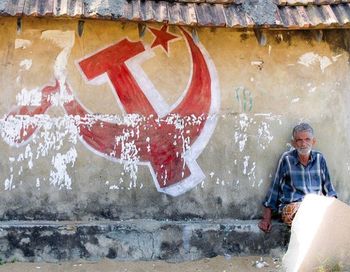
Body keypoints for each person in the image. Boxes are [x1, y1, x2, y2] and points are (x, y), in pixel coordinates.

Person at [258, 123, 337, 232]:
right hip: (293, 209)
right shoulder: (286, 159)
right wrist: (266, 219)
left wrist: (334, 212)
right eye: (299, 140)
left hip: (315, 208)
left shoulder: (320, 159)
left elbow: (330, 190)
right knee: (306, 213)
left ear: (313, 142)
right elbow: (274, 190)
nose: (303, 144)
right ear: (294, 143)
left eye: (307, 139)